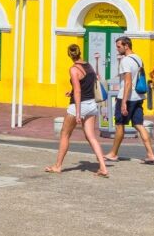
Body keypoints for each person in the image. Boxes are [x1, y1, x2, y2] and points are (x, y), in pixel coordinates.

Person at [46, 42, 110, 177]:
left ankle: (58, 166)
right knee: (91, 137)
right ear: (80, 53)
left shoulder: (73, 69)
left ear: (69, 55)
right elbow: (87, 82)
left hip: (78, 106)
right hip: (92, 104)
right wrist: (71, 91)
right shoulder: (88, 65)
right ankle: (103, 167)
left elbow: (79, 91)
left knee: (65, 134)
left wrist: (78, 113)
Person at [106, 37, 154, 165]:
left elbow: (128, 82)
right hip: (138, 97)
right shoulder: (138, 58)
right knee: (139, 125)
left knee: (120, 124)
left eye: (119, 46)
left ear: (126, 46)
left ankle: (113, 153)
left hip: (128, 97)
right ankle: (151, 154)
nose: (117, 49)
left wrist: (123, 102)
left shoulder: (126, 61)